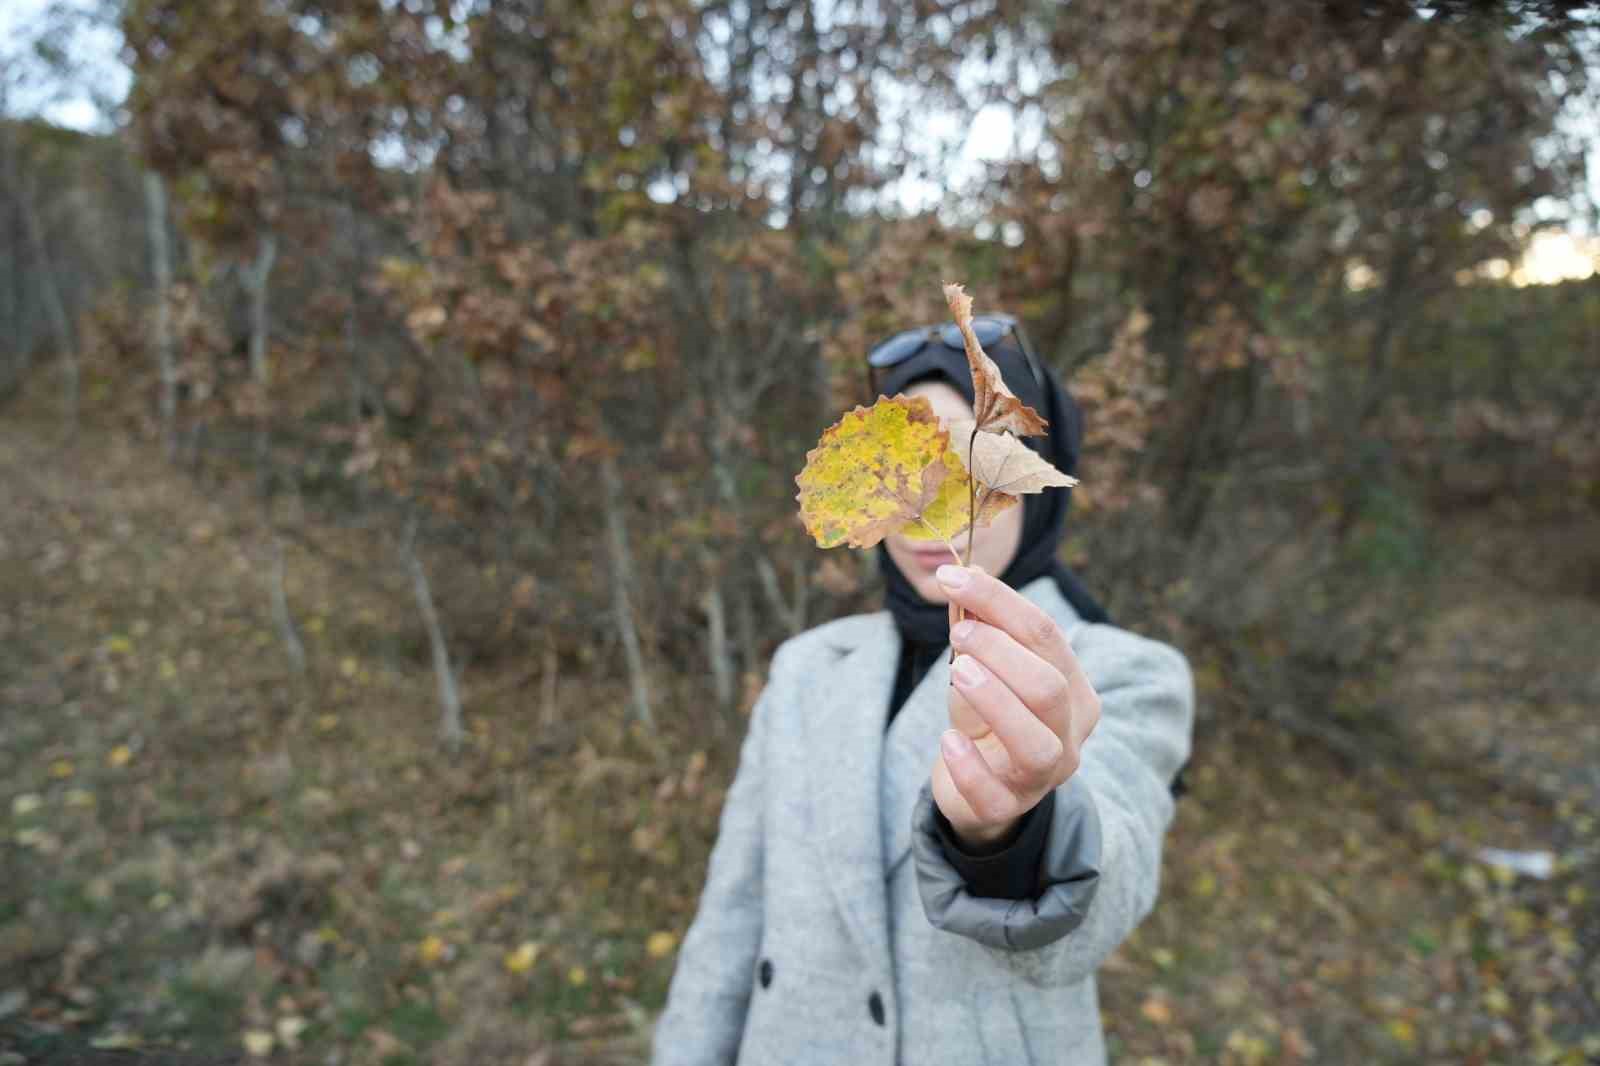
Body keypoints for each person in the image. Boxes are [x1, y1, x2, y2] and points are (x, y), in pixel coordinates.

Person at [650, 314, 1195, 1066]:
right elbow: (732, 917)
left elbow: (1102, 889)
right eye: (902, 469)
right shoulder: (807, 667)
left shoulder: (1122, 669)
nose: (925, 509)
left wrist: (1010, 835)